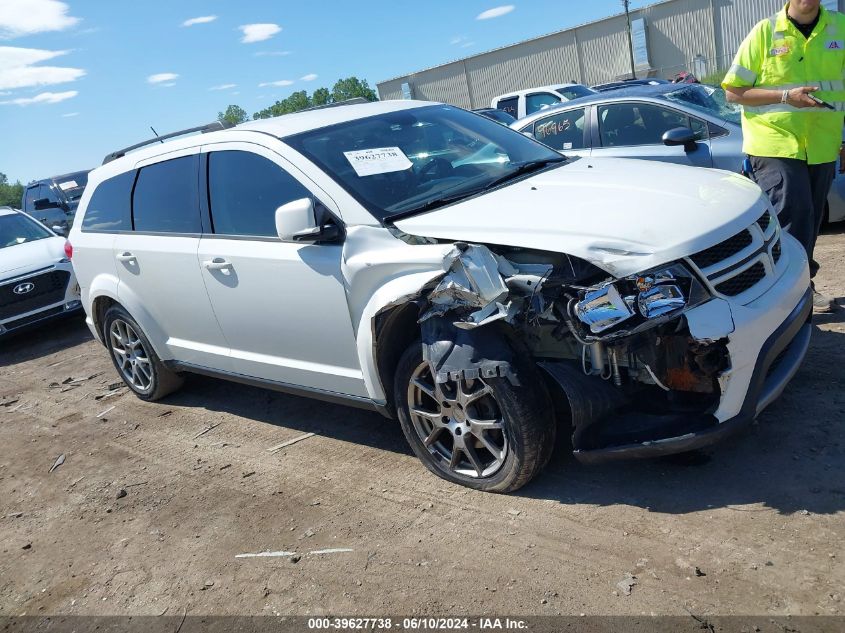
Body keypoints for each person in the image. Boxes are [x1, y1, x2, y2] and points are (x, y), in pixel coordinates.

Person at [722, 0, 845, 313]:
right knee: (794, 213)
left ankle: (801, 284)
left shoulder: (839, 28)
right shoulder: (765, 32)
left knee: (811, 218)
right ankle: (786, 298)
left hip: (821, 142)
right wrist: (784, 96)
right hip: (773, 142)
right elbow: (733, 92)